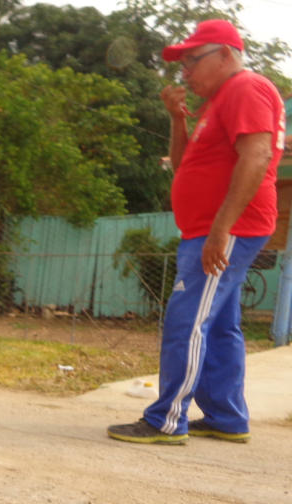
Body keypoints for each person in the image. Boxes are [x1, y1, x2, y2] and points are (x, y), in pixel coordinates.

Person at [107, 19, 285, 446]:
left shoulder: (246, 88)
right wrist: (176, 118)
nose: (184, 72)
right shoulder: (220, 101)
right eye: (181, 63)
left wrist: (221, 229)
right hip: (213, 229)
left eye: (191, 60)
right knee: (220, 326)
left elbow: (257, 155)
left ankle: (166, 419)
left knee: (187, 321)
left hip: (225, 229)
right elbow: (185, 163)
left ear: (225, 54)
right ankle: (226, 416)